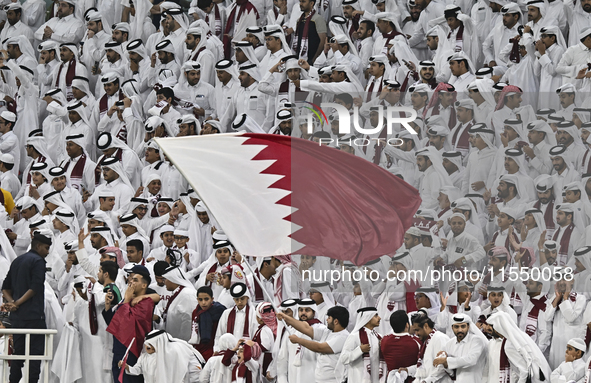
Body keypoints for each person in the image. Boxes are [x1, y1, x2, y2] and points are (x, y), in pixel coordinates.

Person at [1, 230, 52, 383]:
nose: (48, 252)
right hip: (34, 317)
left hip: (17, 319)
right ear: (39, 246)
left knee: (18, 357)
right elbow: (34, 288)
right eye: (46, 248)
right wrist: (15, 303)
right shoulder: (38, 261)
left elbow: (5, 288)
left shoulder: (18, 260)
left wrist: (12, 302)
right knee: (34, 357)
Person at [339, 307, 385, 383]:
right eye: (376, 315)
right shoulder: (354, 336)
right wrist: (359, 350)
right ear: (368, 318)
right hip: (358, 379)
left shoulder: (379, 337)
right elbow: (344, 358)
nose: (379, 318)